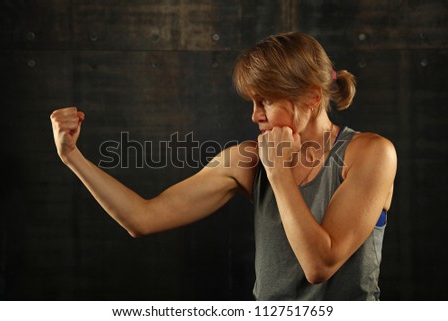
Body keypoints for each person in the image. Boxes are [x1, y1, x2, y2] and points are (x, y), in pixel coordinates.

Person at [50, 31, 397, 300]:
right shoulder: (246, 161)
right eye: (252, 101)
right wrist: (73, 158)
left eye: (266, 101)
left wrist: (277, 173)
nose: (254, 115)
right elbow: (143, 218)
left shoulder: (369, 153)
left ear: (311, 96)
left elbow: (319, 265)